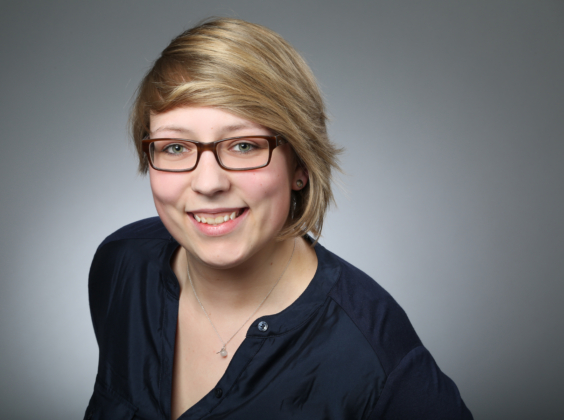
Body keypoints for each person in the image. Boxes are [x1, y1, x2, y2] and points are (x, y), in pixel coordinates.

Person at [84, 17, 472, 420]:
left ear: (300, 164)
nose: (208, 183)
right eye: (175, 147)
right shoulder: (121, 266)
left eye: (244, 145)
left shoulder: (377, 356)